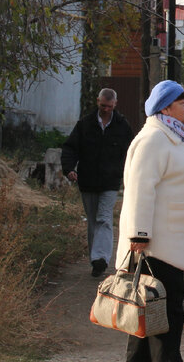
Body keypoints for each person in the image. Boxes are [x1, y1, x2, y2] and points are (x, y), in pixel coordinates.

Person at [118, 80, 184, 362]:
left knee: (149, 319)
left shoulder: (172, 136)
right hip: (156, 247)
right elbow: (140, 190)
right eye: (182, 103)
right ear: (166, 108)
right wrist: (139, 236)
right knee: (163, 319)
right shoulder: (153, 139)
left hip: (170, 245)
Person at [60, 87, 134, 277]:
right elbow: (70, 148)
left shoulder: (122, 126)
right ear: (97, 102)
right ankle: (95, 260)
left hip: (110, 181)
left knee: (104, 219)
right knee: (93, 221)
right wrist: (69, 169)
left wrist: (129, 174)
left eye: (109, 106)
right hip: (87, 180)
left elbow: (131, 152)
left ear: (115, 104)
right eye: (103, 106)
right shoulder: (85, 124)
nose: (106, 109)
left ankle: (101, 258)